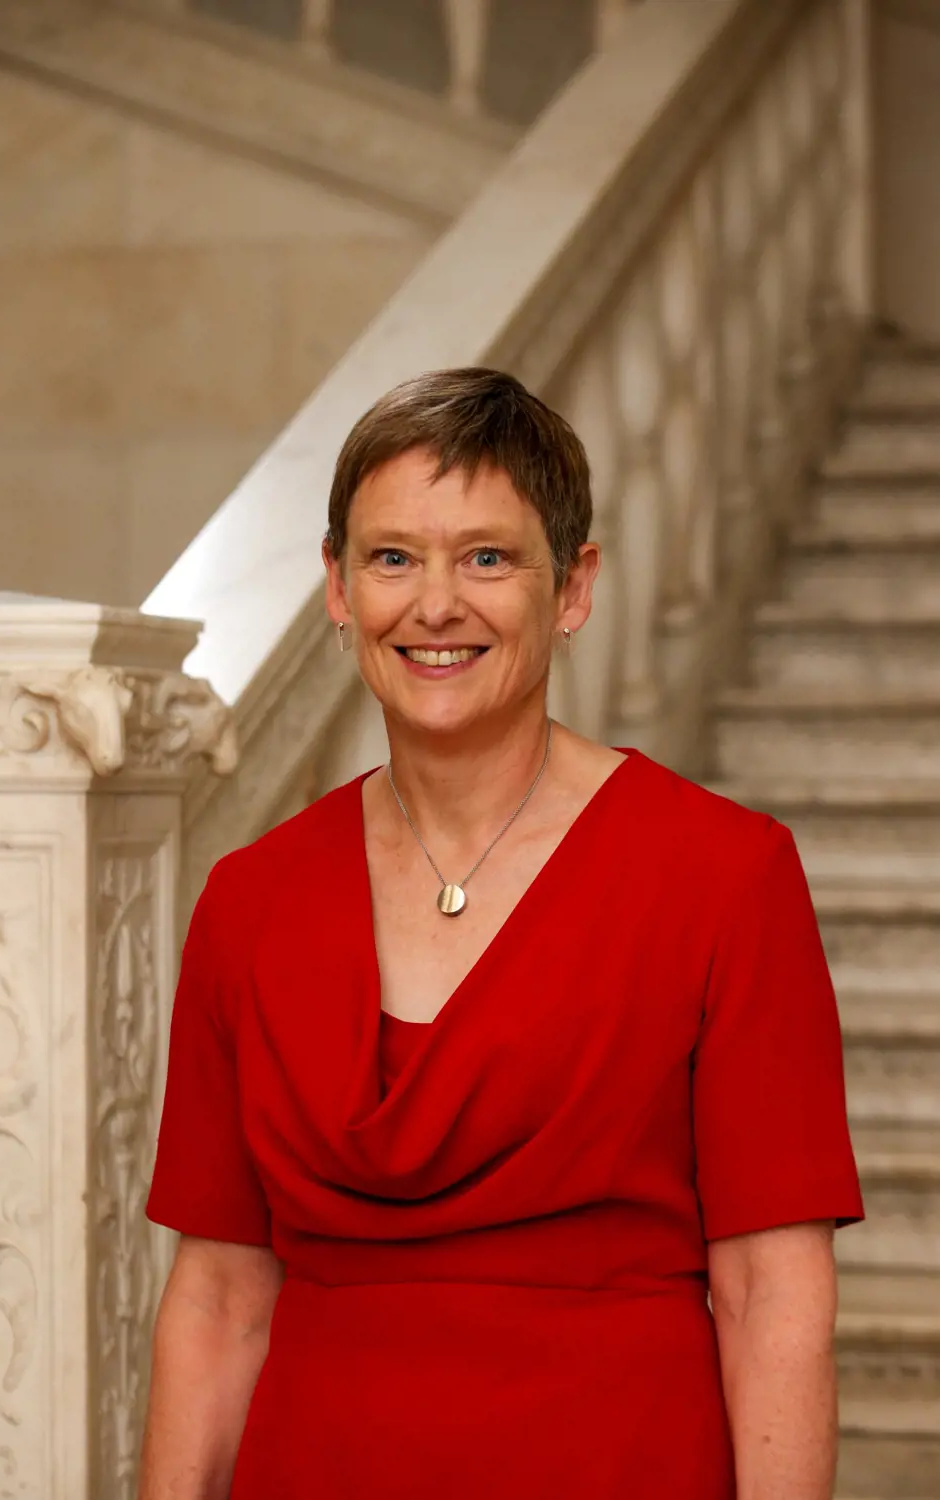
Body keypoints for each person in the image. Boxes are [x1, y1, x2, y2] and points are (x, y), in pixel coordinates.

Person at [139, 368, 864, 1500]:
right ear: (336, 587)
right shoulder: (248, 899)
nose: (436, 604)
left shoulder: (725, 876)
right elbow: (221, 1296)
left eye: (487, 557)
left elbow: (772, 1292)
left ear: (572, 588)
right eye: (392, 558)